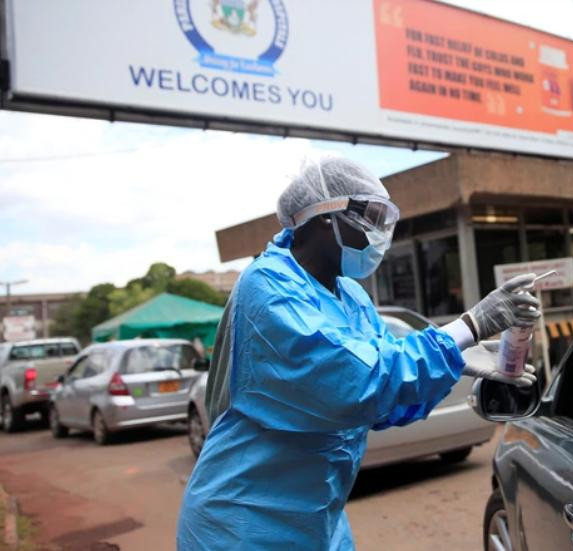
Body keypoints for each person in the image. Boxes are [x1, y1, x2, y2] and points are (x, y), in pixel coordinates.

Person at [176, 155, 541, 550]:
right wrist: (467, 328)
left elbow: (381, 398)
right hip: (242, 520)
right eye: (370, 215)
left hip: (319, 518)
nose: (381, 232)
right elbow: (357, 383)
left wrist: (455, 362)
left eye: (386, 219)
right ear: (322, 217)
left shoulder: (348, 294)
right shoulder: (268, 286)